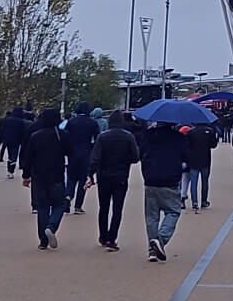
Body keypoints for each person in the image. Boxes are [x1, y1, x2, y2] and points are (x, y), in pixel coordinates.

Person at [139, 121, 192, 262]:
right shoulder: (178, 137)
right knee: (173, 211)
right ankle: (160, 240)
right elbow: (187, 157)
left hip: (150, 178)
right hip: (170, 179)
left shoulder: (148, 135)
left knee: (151, 216)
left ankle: (152, 250)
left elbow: (141, 153)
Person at [89, 111, 141, 252]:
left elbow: (95, 158)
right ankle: (112, 238)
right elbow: (135, 157)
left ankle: (103, 235)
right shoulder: (128, 136)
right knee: (117, 208)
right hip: (121, 176)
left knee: (103, 207)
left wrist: (90, 175)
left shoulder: (102, 137)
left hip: (103, 175)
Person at [19, 108, 68, 248]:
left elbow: (28, 158)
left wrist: (26, 175)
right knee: (59, 204)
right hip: (57, 175)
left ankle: (43, 241)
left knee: (43, 207)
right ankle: (51, 227)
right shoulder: (63, 135)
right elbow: (71, 152)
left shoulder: (35, 136)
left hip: (38, 176)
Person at [64, 103, 99, 214]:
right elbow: (97, 139)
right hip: (86, 152)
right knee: (83, 179)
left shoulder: (71, 122)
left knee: (71, 177)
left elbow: (65, 135)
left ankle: (68, 196)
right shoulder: (93, 123)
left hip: (72, 152)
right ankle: (78, 206)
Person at [183, 122, 218, 210]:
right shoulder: (210, 131)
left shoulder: (190, 132)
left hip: (193, 159)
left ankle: (194, 202)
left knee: (194, 182)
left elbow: (187, 146)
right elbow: (213, 145)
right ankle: (204, 201)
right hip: (205, 158)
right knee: (205, 181)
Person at [0, 107, 29, 178]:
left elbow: (2, 130)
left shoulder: (6, 120)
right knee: (14, 156)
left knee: (9, 154)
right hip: (16, 141)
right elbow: (23, 132)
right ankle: (11, 171)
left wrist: (0, 139)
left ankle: (9, 169)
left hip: (7, 140)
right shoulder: (21, 121)